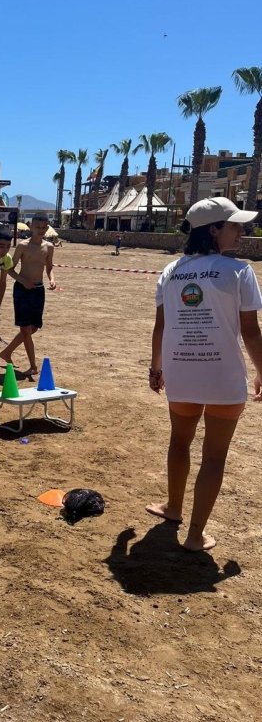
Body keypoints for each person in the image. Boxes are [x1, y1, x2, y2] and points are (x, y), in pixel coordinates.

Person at [146, 197, 262, 551]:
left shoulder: (171, 271)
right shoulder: (238, 271)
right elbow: (251, 331)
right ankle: (196, 535)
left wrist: (156, 367)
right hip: (223, 377)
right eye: (234, 225)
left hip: (182, 373)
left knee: (179, 442)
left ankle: (174, 507)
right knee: (214, 456)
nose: (241, 231)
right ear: (213, 230)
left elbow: (160, 327)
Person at [0, 213, 56, 375]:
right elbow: (9, 268)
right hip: (22, 290)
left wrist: (52, 279)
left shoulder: (49, 247)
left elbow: (49, 266)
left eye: (44, 227)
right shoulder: (22, 246)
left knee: (34, 328)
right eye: (38, 227)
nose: (41, 230)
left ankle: (7, 352)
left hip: (38, 290)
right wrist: (22, 280)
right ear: (31, 226)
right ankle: (33, 366)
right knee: (25, 329)